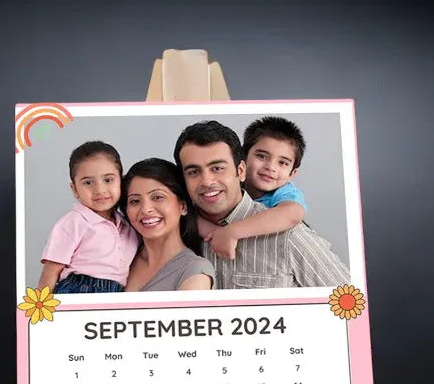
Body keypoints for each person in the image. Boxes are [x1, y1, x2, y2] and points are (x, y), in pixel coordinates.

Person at [173, 121, 350, 288]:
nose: (207, 181)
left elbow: (352, 300)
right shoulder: (173, 230)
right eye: (193, 172)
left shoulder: (289, 234)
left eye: (218, 168)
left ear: (240, 170)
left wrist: (231, 232)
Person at [36, 141, 139, 293]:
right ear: (74, 189)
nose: (100, 189)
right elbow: (50, 273)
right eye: (88, 182)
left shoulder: (127, 225)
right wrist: (39, 307)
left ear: (121, 182)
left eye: (108, 180)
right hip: (79, 289)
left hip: (115, 294)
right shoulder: (73, 223)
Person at [201, 116, 309, 260]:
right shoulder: (231, 184)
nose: (270, 167)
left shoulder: (285, 192)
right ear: (243, 157)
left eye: (282, 163)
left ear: (292, 174)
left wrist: (231, 232)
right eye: (261, 156)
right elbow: (190, 215)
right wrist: (216, 233)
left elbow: (293, 213)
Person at [120, 158, 215, 292]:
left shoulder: (194, 271)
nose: (145, 209)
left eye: (158, 197)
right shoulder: (120, 257)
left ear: (183, 206)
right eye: (135, 201)